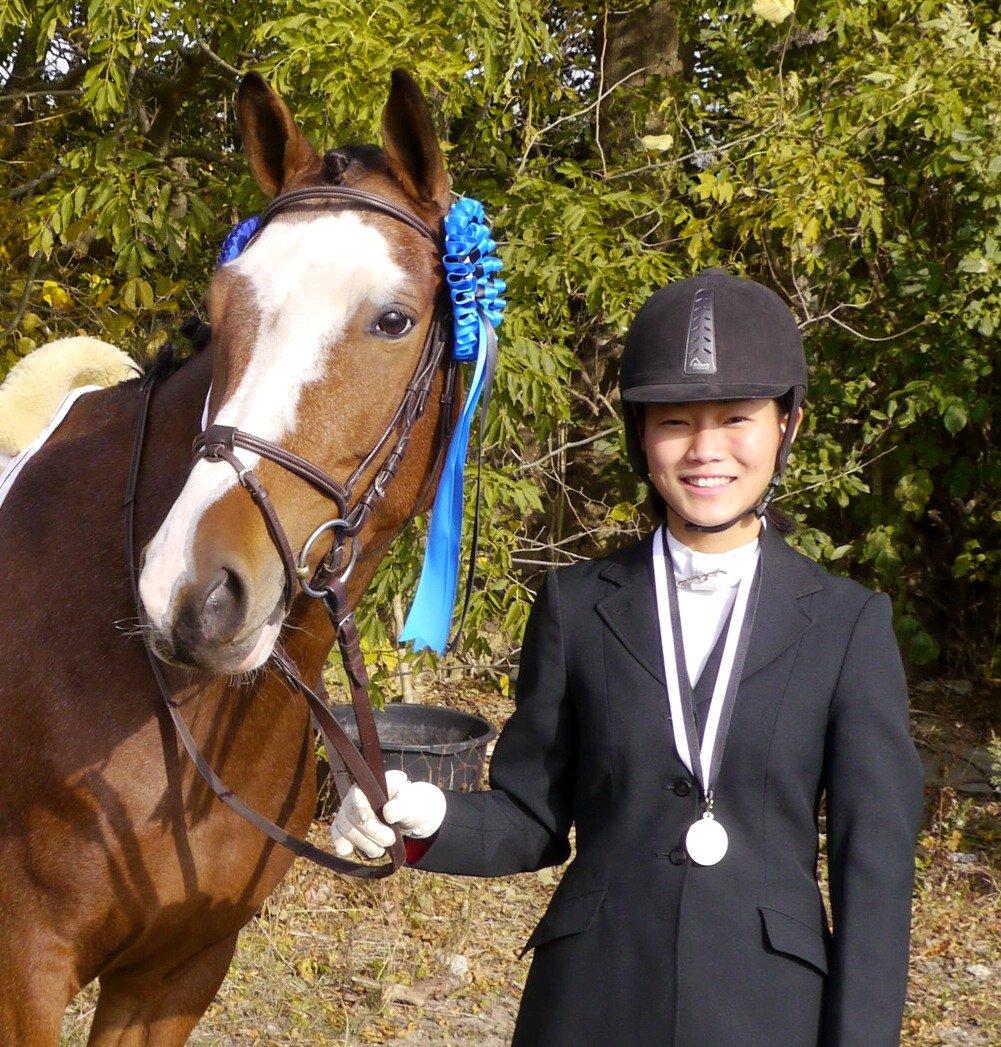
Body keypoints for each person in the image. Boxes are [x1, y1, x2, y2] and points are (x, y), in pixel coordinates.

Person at [330, 268, 926, 1046]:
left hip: (768, 1010)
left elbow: (872, 872)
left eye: (736, 418)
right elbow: (531, 817)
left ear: (788, 423)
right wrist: (424, 818)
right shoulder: (576, 605)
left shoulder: (847, 625)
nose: (705, 450)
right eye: (675, 421)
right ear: (639, 435)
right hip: (591, 1001)